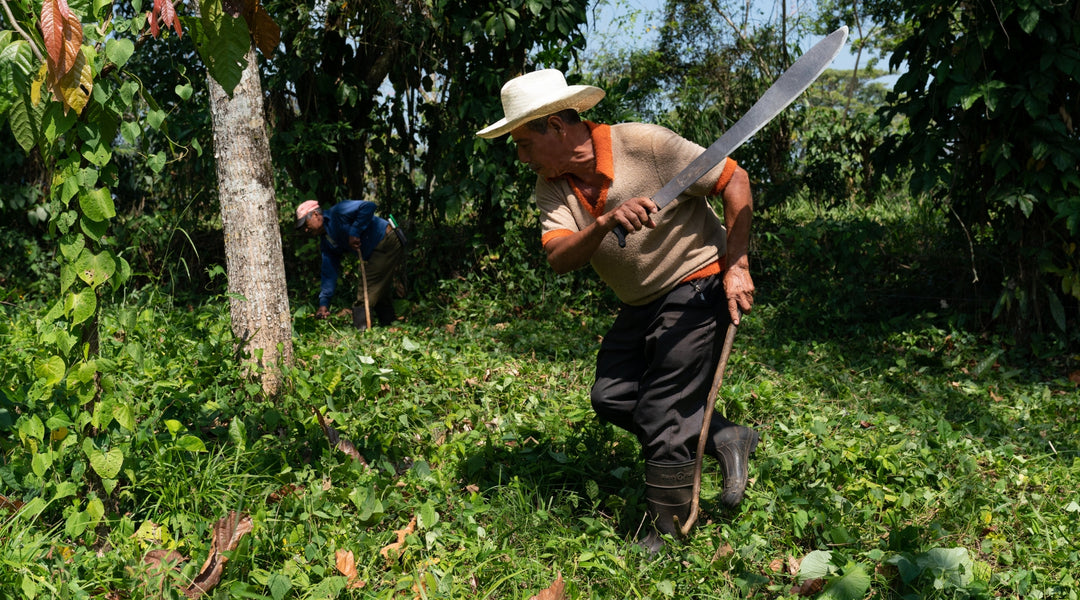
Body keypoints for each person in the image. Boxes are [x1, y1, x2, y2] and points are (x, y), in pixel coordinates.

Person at [476, 69, 759, 552]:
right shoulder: (553, 186)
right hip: (640, 302)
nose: (520, 157)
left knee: (663, 408)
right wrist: (604, 222)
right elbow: (559, 258)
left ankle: (669, 528)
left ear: (557, 127)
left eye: (524, 143)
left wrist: (736, 265)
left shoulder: (644, 145)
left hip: (697, 282)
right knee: (610, 395)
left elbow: (735, 181)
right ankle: (725, 436)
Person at [295, 199, 405, 328]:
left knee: (367, 288)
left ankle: (361, 333)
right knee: (377, 288)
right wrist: (324, 304)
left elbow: (369, 206)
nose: (306, 230)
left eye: (306, 224)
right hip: (374, 251)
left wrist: (355, 232)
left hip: (386, 240)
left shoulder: (338, 212)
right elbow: (328, 273)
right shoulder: (326, 242)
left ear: (315, 215)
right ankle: (389, 324)